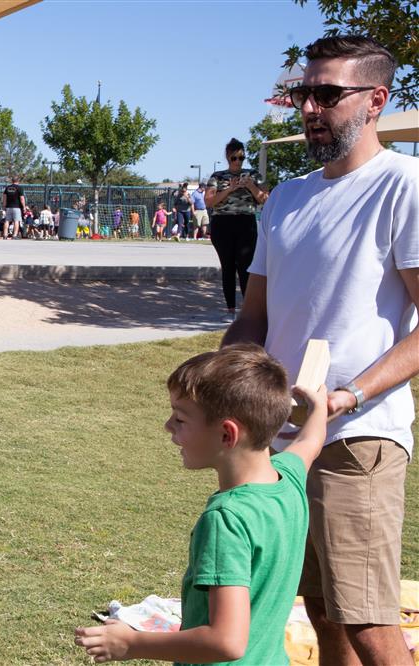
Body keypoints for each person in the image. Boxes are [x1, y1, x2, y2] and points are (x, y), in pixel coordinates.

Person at [222, 35, 418, 665]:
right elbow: (253, 318)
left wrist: (349, 394)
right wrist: (221, 380)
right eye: (303, 93)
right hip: (279, 441)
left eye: (327, 95)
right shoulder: (285, 198)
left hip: (358, 436)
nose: (308, 108)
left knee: (367, 623)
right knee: (321, 614)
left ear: (375, 101)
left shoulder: (403, 187)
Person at [76, 344, 328, 664]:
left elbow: (226, 642)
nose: (168, 426)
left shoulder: (228, 520)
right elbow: (310, 441)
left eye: (180, 419)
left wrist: (131, 643)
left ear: (227, 434)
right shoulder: (289, 480)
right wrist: (318, 407)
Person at [204, 139, 269, 320]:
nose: (238, 161)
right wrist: (229, 189)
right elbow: (209, 201)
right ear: (227, 157)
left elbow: (266, 199)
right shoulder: (217, 177)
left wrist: (250, 186)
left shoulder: (254, 175)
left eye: (241, 157)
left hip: (245, 222)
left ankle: (248, 310)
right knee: (228, 266)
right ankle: (230, 309)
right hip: (222, 224)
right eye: (234, 158)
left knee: (246, 266)